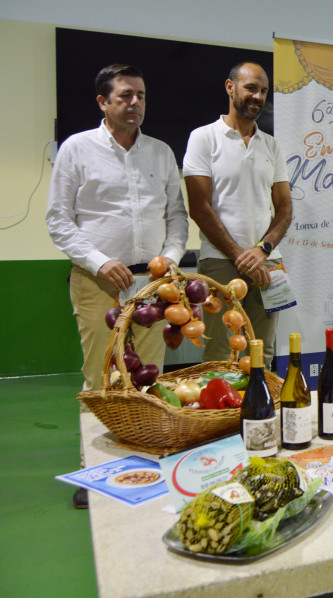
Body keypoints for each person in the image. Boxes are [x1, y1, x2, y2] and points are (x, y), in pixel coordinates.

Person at [46, 64, 188, 509]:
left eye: (141, 95)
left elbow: (177, 217)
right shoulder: (77, 149)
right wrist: (100, 261)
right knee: (103, 378)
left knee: (147, 379)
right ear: (103, 102)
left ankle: (142, 464)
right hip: (97, 281)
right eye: (125, 95)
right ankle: (96, 473)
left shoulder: (161, 153)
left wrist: (171, 260)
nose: (135, 103)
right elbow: (58, 220)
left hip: (151, 284)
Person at [183, 61, 292, 367]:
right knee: (220, 353)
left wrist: (262, 250)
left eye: (264, 90)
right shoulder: (203, 138)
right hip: (219, 262)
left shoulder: (272, 146)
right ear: (230, 88)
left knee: (263, 351)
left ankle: (262, 413)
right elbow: (199, 207)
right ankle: (221, 416)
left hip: (269, 263)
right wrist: (240, 256)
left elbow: (284, 209)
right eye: (251, 88)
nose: (258, 96)